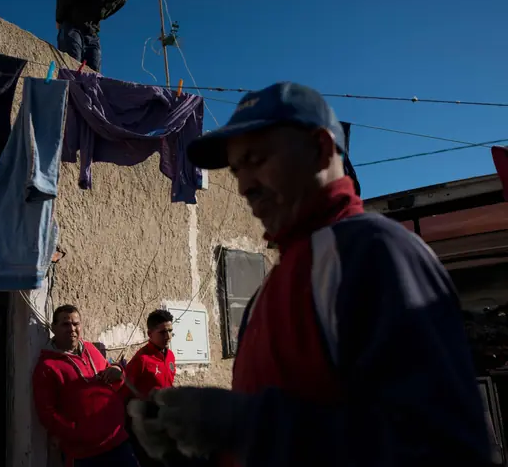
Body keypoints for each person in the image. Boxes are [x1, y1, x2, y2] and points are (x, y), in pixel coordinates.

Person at [128, 82, 493, 466]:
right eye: (237, 170)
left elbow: (446, 448)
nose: (244, 186)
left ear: (320, 149)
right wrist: (205, 450)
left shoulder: (370, 253)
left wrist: (246, 425)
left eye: (258, 159)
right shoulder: (274, 285)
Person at [33, 304, 137, 467]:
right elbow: (47, 413)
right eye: (65, 324)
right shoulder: (47, 366)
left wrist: (117, 371)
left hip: (117, 441)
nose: (72, 329)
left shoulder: (89, 348)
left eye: (76, 324)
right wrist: (78, 432)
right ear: (53, 328)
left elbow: (111, 378)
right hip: (85, 453)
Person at [55, 0, 140, 72]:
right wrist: (59, 19)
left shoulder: (121, 0)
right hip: (72, 25)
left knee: (94, 70)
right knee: (72, 62)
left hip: (91, 32)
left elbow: (104, 16)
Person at [123, 310, 176, 467]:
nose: (168, 336)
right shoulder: (141, 360)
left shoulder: (171, 356)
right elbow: (125, 392)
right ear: (150, 334)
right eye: (162, 332)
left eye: (170, 331)